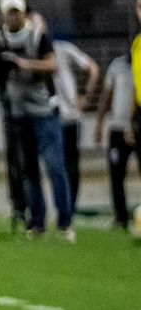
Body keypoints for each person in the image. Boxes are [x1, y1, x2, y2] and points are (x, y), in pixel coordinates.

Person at [0, 0, 74, 241]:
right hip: (15, 112)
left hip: (43, 110)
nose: (13, 18)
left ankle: (65, 221)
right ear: (3, 14)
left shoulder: (36, 37)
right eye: (9, 13)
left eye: (17, 13)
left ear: (23, 12)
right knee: (27, 170)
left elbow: (53, 65)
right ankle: (37, 223)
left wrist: (23, 63)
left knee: (55, 166)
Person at [51, 37, 99, 209]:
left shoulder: (62, 48)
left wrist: (85, 96)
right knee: (54, 165)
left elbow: (93, 68)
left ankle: (70, 207)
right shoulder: (28, 52)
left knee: (69, 164)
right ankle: (61, 207)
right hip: (45, 118)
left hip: (68, 117)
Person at [95, 49, 137, 230]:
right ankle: (121, 218)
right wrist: (100, 124)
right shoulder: (117, 66)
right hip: (118, 129)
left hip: (137, 127)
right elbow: (107, 95)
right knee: (116, 175)